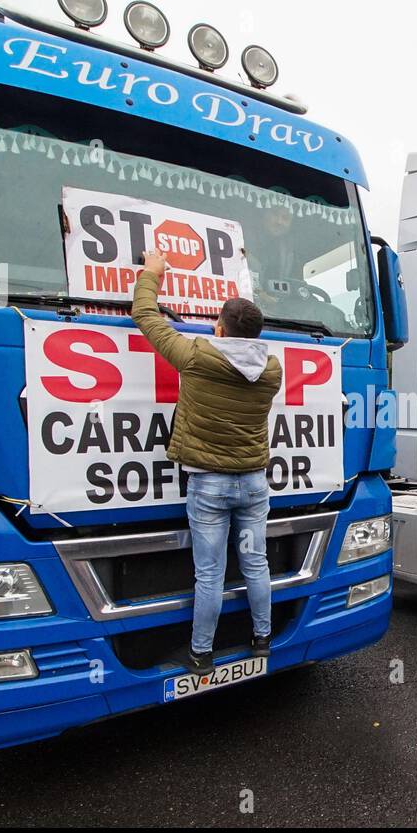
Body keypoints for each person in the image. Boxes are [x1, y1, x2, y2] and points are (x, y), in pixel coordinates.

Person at [132, 250, 284, 676]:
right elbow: (236, 353)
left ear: (219, 327)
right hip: (254, 484)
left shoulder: (196, 356)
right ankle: (262, 639)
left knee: (210, 575)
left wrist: (152, 273)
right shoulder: (271, 369)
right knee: (256, 564)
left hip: (210, 488)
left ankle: (201, 655)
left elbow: (145, 316)